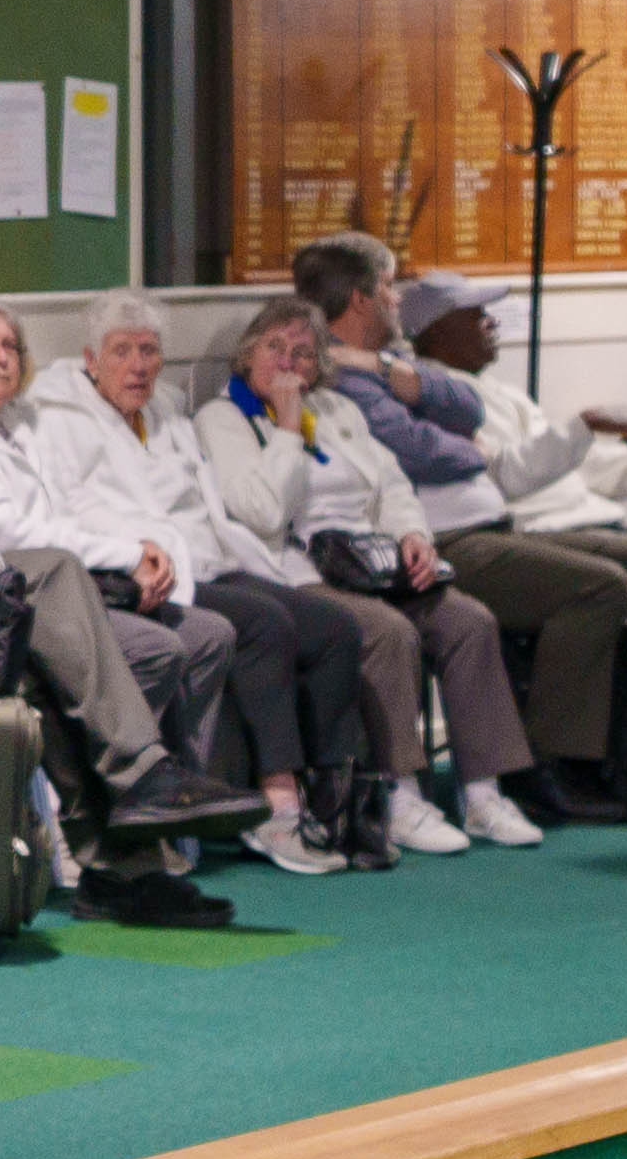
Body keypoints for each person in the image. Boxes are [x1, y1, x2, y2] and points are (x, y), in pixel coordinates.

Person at [0, 300, 265, 926]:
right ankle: (142, 792)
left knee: (197, 633)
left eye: (11, 346)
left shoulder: (16, 424)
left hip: (28, 607)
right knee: (132, 644)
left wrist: (135, 557)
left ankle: (141, 841)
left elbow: (59, 520)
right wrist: (125, 554)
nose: (1, 357)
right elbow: (9, 536)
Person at [389, 275, 627, 806]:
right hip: (547, 532)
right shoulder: (437, 397)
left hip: (599, 521)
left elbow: (581, 465)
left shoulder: (503, 393)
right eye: (474, 314)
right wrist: (586, 423)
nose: (491, 323)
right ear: (432, 332)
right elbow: (514, 475)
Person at [25, 291, 381, 876]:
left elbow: (210, 505)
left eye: (149, 351)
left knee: (334, 627)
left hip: (212, 559)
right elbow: (65, 516)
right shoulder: (58, 420)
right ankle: (276, 806)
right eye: (122, 352)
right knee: (265, 625)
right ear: (92, 359)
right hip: (145, 576)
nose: (138, 365)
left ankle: (339, 807)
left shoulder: (165, 408)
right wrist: (136, 555)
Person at [307, 243, 627, 823]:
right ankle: (549, 761)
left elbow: (464, 404)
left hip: (494, 526)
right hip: (446, 542)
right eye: (391, 288)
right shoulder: (344, 378)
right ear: (361, 297)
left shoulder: (389, 364)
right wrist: (461, 449)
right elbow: (418, 450)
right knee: (600, 585)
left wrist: (400, 376)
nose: (398, 298)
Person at [195, 295, 546, 856]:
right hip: (300, 571)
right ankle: (400, 792)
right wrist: (286, 428)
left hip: (374, 561)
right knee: (388, 632)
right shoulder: (224, 418)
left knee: (467, 620)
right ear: (247, 355)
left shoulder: (338, 412)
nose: (288, 363)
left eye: (303, 354)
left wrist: (413, 535)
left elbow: (392, 487)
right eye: (274, 348)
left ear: (319, 367)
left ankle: (482, 792)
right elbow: (261, 513)